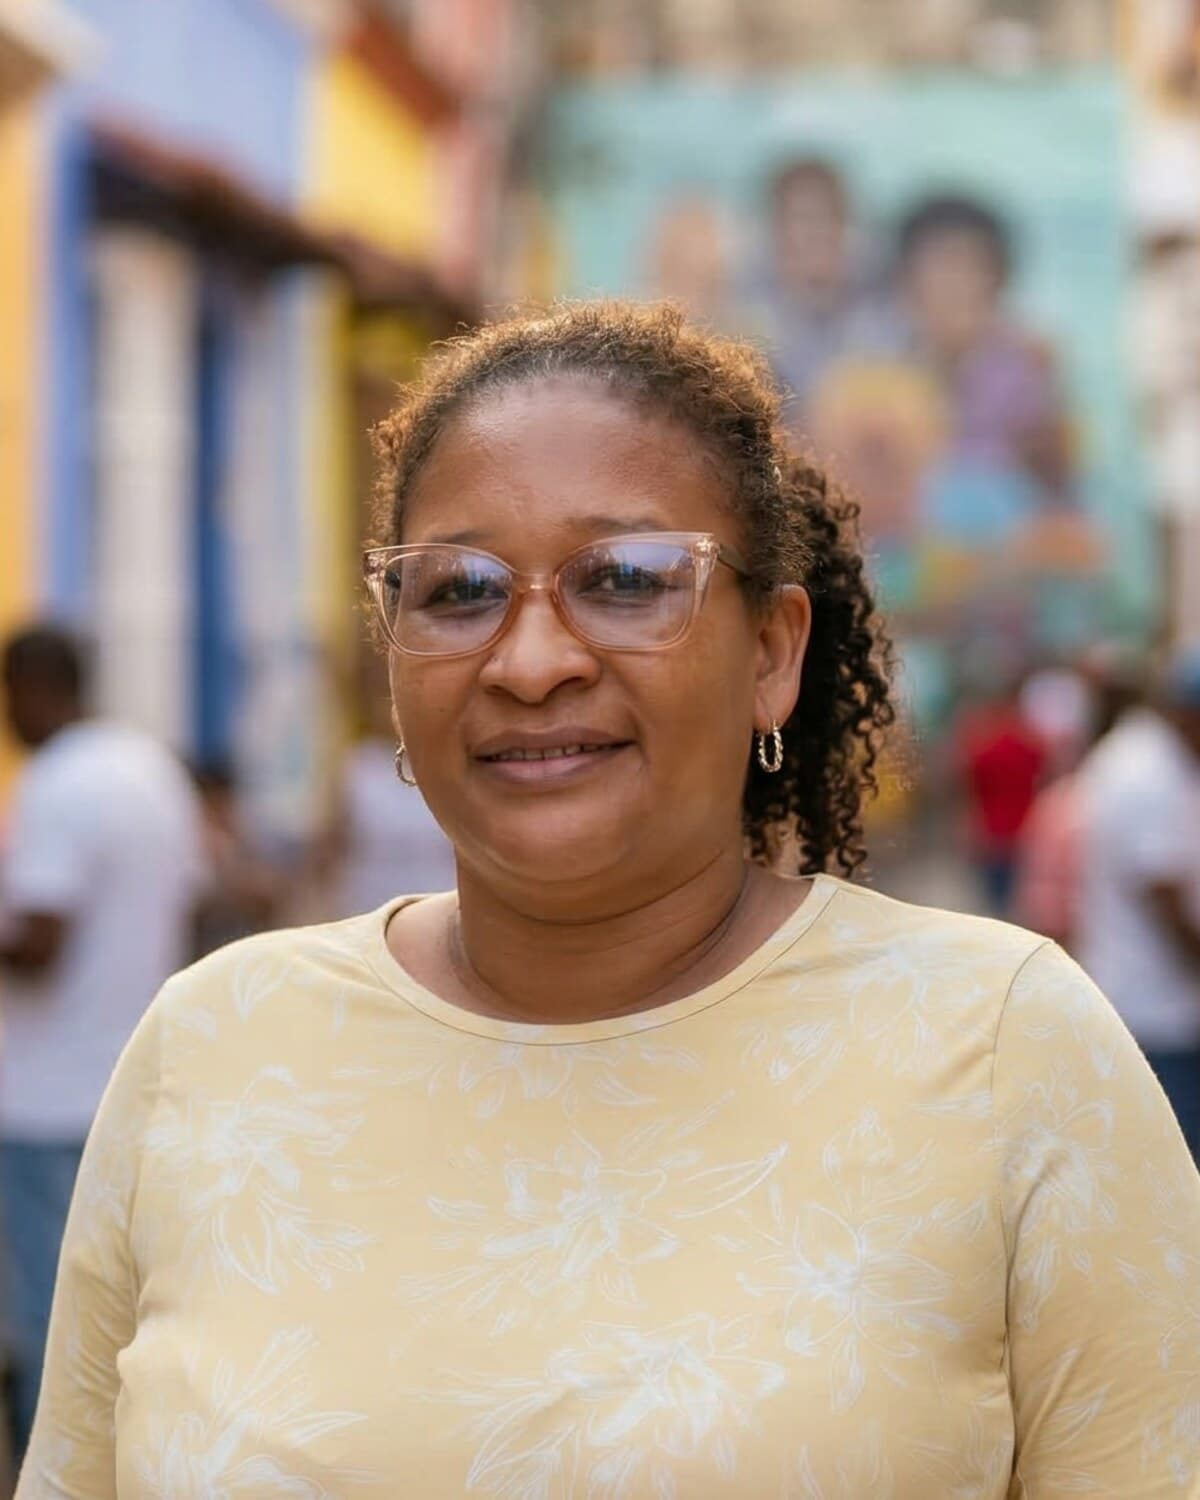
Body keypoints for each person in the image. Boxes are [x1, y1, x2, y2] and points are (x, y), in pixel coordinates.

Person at [18, 306, 1200, 1498]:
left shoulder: (1006, 1052)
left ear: (773, 652)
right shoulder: (212, 1047)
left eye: (627, 580)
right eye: (458, 590)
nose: (531, 661)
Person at [0, 625, 204, 1466]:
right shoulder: (151, 771)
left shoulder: (57, 782)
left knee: (55, 1318)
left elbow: (41, 944)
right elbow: (193, 909)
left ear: (33, 687)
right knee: (127, 1310)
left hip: (46, 1097)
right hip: (134, 1083)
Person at [1076, 643, 1200, 1154]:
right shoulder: (1146, 774)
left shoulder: (1154, 756)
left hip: (1157, 1004)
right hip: (1155, 1010)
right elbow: (1166, 901)